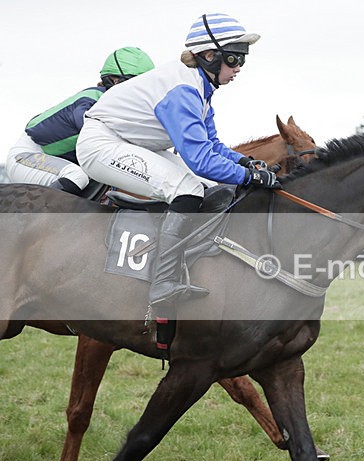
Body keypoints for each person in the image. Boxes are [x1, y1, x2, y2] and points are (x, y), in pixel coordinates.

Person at [76, 13, 277, 348]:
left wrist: (244, 161)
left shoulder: (201, 86)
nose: (239, 66)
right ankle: (163, 284)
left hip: (129, 143)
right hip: (104, 144)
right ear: (209, 56)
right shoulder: (184, 89)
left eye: (243, 58)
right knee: (186, 188)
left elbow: (211, 145)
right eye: (234, 58)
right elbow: (198, 159)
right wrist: (249, 176)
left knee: (197, 188)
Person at [6, 47, 154, 196]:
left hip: (58, 161)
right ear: (114, 80)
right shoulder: (90, 100)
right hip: (27, 157)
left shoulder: (117, 108)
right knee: (76, 176)